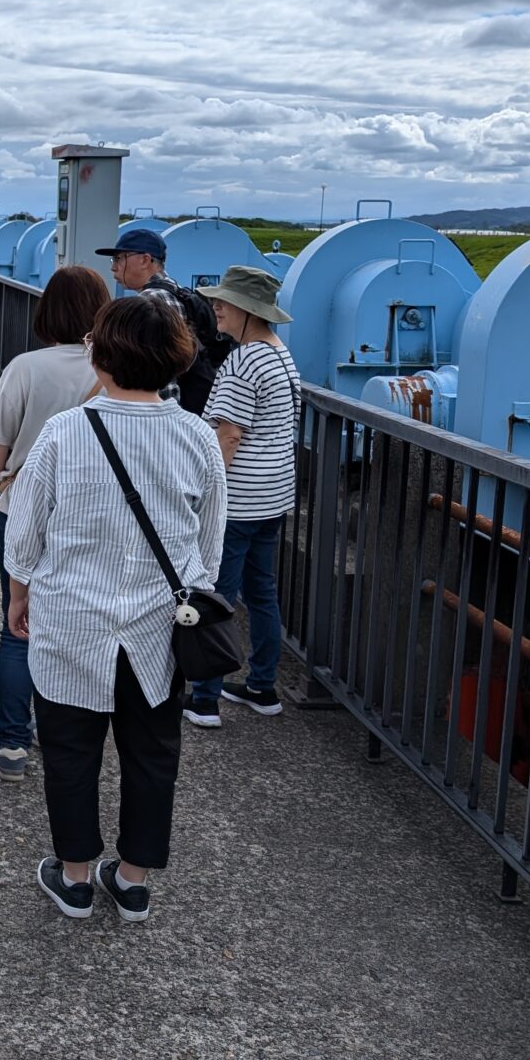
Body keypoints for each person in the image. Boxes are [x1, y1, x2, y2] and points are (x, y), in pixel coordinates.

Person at [4, 296, 225, 921]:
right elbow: (209, 548)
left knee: (71, 752)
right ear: (177, 363)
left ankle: (74, 876)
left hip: (72, 623)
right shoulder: (197, 437)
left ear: (99, 357)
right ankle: (131, 880)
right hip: (159, 631)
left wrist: (20, 595)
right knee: (152, 754)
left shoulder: (65, 432)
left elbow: (24, 535)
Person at [0, 264, 110, 782]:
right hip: (89, 517)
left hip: (23, 513)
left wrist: (9, 478)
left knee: (18, 628)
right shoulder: (114, 366)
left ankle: (12, 744)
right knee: (80, 629)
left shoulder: (27, 368)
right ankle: (68, 739)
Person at [183, 265, 302, 729]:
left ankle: (205, 698)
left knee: (216, 593)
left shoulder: (244, 360)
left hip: (239, 496)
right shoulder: (279, 354)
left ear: (247, 311)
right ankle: (261, 685)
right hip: (273, 492)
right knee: (262, 591)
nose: (215, 309)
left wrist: (207, 491)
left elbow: (228, 435)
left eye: (223, 303)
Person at [93, 226, 225, 413]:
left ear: (145, 260)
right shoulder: (175, 289)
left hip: (171, 412)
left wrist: (164, 419)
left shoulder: (152, 301)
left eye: (120, 258)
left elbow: (162, 369)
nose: (113, 266)